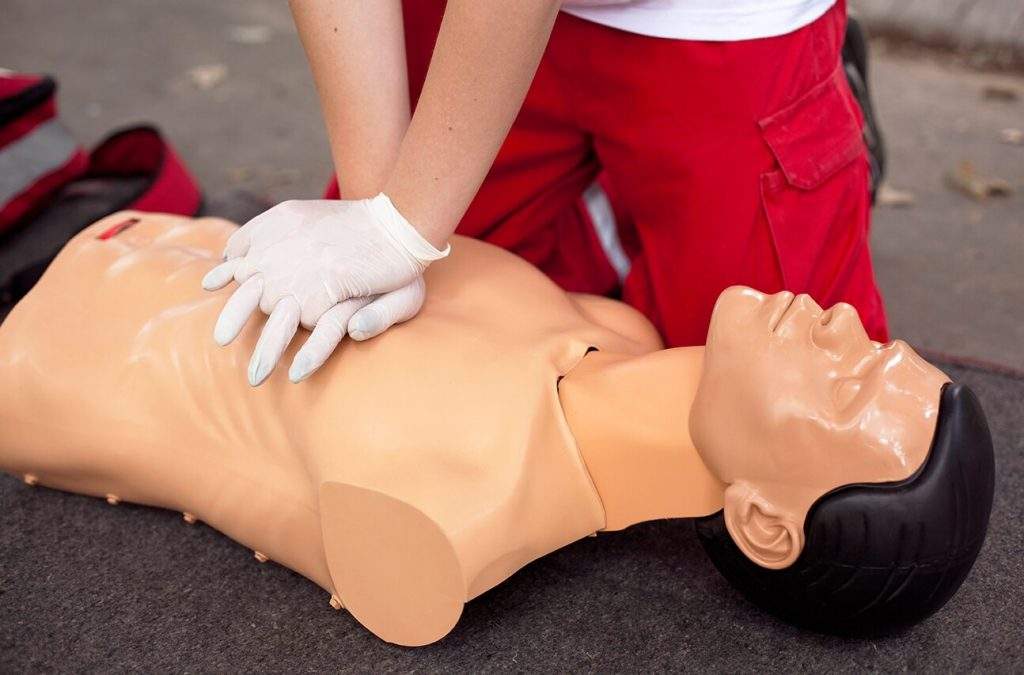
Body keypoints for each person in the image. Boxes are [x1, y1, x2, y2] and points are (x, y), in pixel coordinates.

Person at [0, 212, 992, 646]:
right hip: (155, 238)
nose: (845, 327)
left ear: (765, 525)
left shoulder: (442, 532)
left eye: (850, 391)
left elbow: (196, 464)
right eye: (878, 347)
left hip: (34, 358)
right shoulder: (612, 329)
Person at [201, 0, 889, 386]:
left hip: (715, 24)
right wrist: (373, 215)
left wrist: (402, 229)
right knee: (430, 356)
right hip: (472, 18)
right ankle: (608, 219)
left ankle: (827, 111)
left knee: (784, 402)